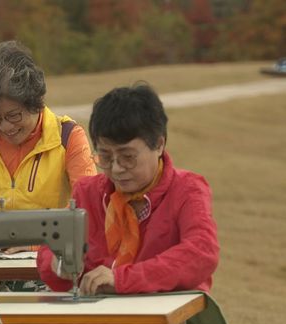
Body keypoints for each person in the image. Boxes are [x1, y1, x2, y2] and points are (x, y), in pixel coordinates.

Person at [37, 83, 220, 297]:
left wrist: (122, 279)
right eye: (105, 157)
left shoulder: (187, 190)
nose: (116, 168)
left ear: (159, 145)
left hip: (169, 321)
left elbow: (202, 253)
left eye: (128, 157)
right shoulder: (88, 192)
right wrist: (57, 262)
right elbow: (52, 246)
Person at [0, 40, 96, 255]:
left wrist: (35, 245)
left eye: (14, 115)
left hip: (50, 259)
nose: (4, 127)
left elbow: (88, 211)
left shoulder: (68, 137)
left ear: (35, 103)